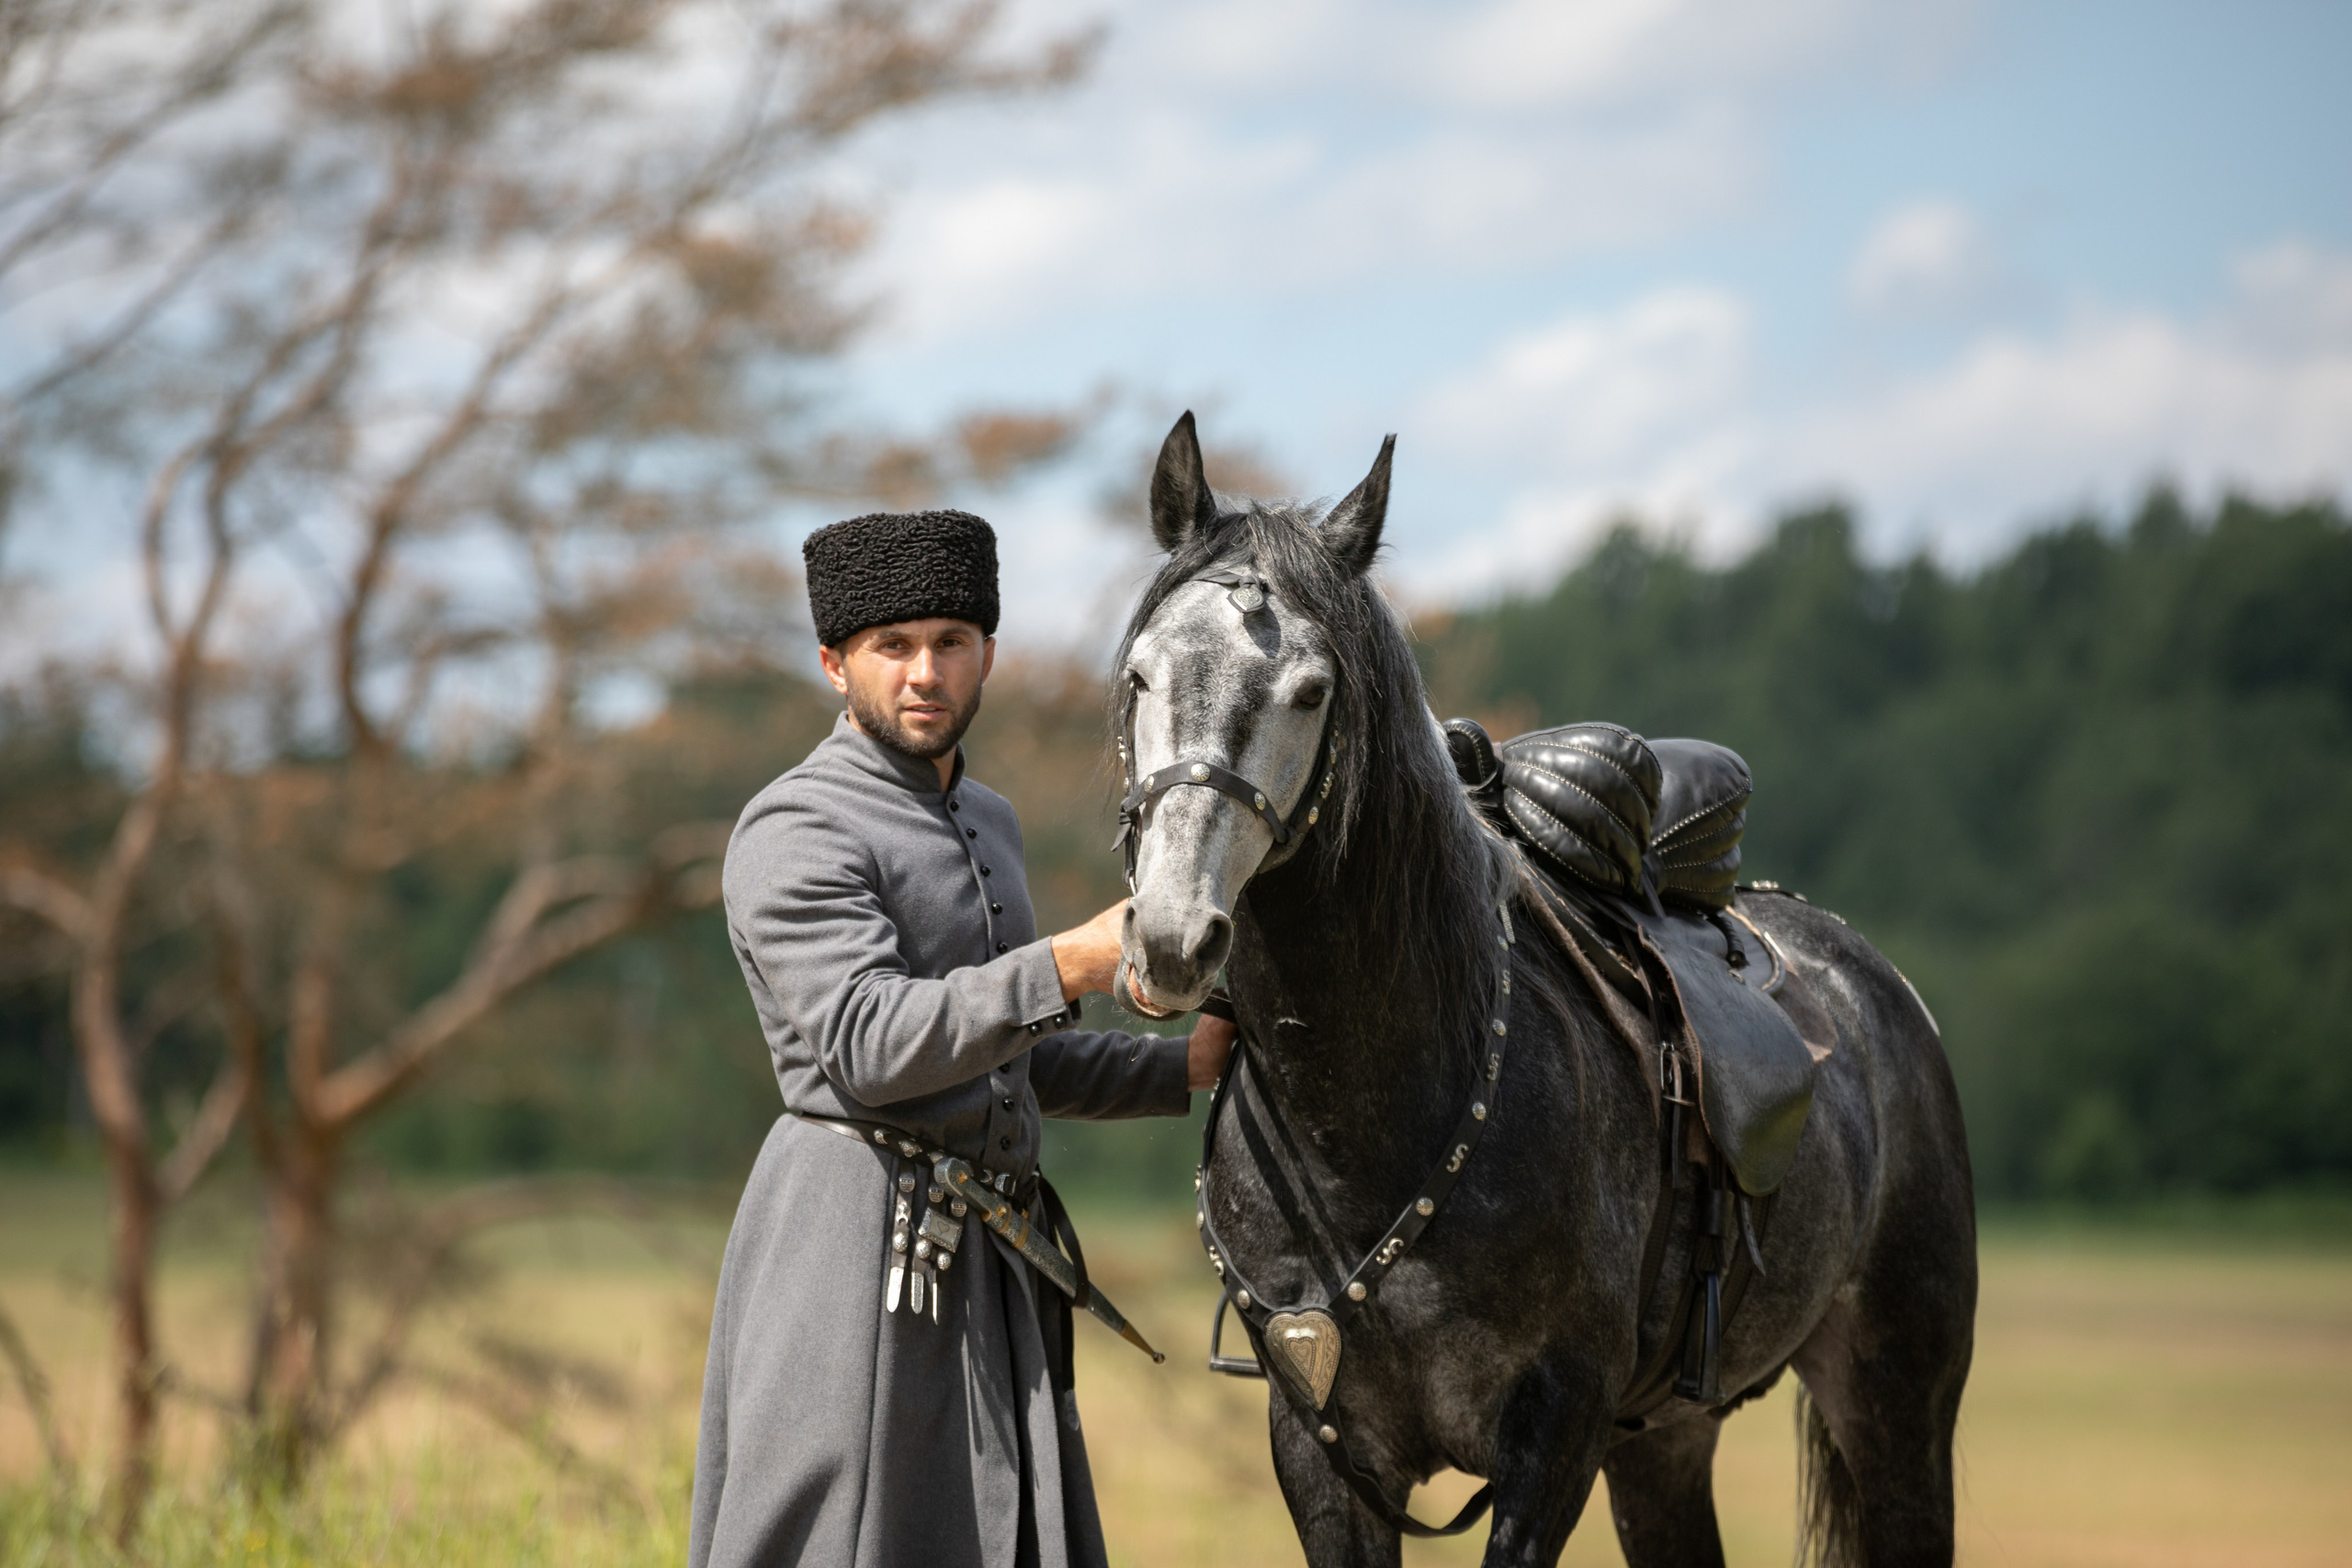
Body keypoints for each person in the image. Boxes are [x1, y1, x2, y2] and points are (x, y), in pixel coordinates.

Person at [689, 508, 1236, 1568]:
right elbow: (868, 1043)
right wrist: (1074, 962)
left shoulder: (990, 818)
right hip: (847, 1248)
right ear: (833, 663)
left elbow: (1006, 1056)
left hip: (989, 1254)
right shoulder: (794, 826)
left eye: (950, 642)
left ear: (990, 652)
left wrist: (1182, 1066)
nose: (922, 672)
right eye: (890, 647)